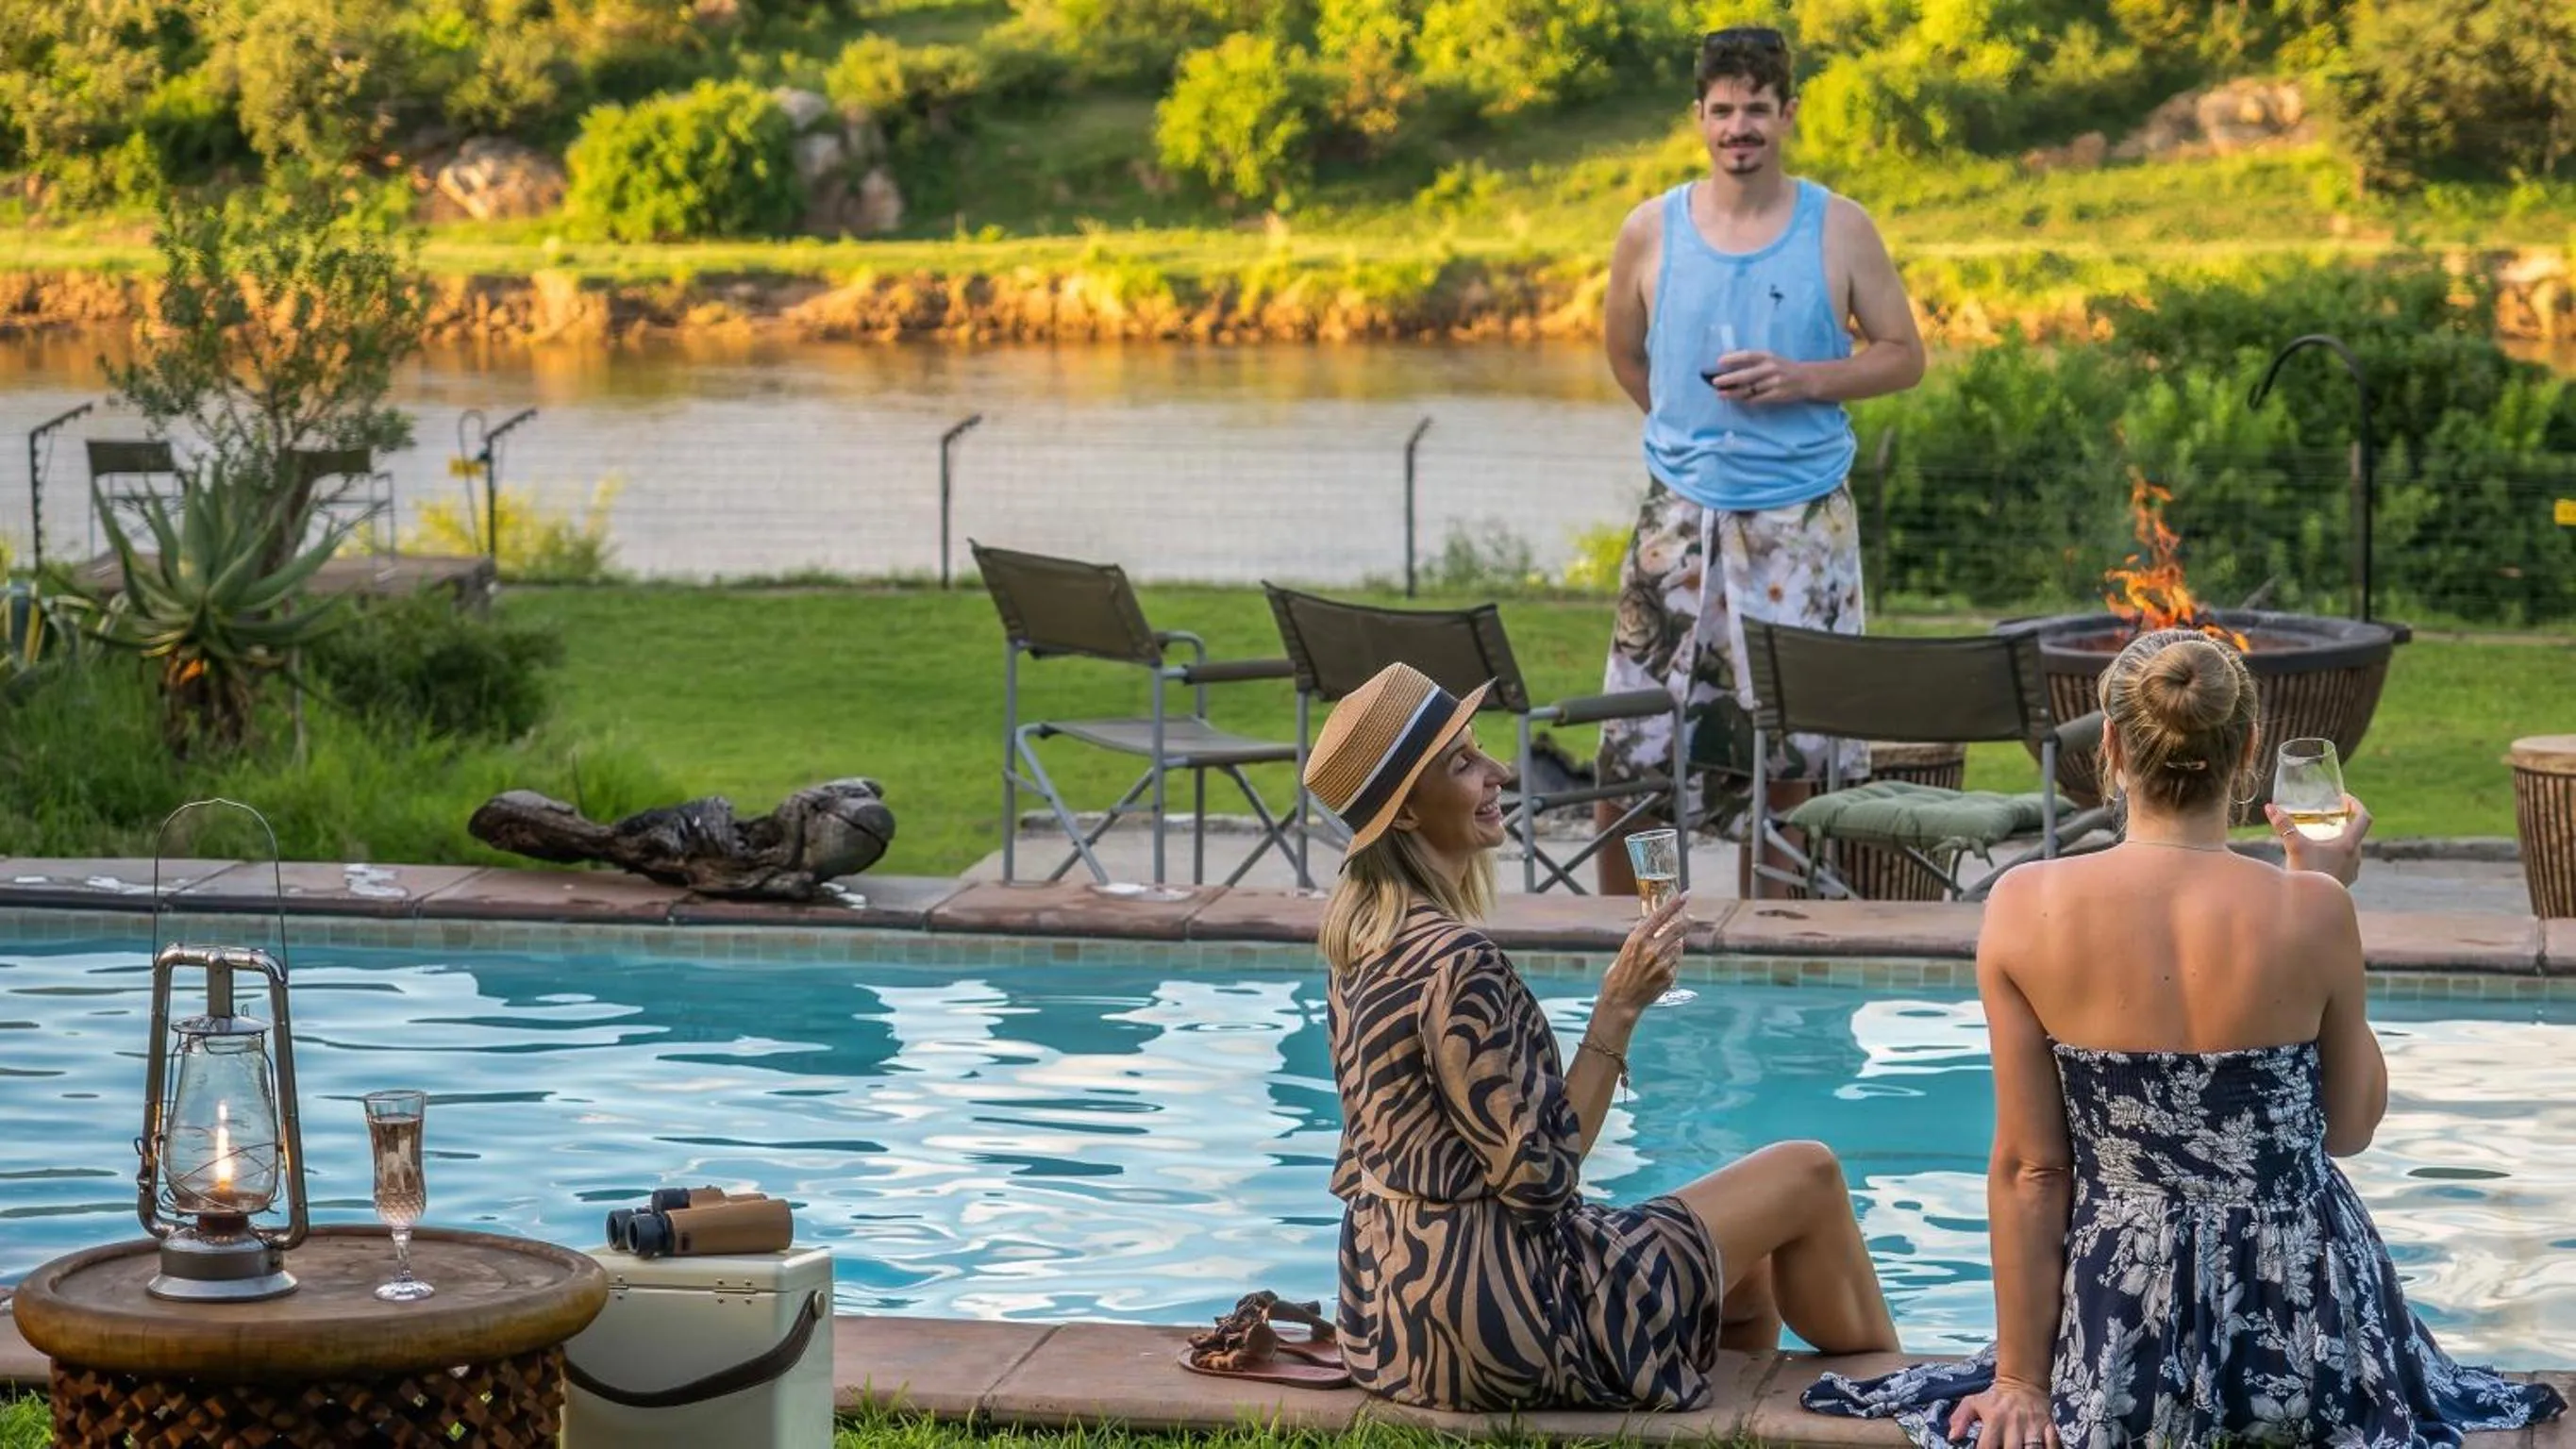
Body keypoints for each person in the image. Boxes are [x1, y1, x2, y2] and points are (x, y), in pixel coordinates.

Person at [1802, 630, 2568, 1447]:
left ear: (2110, 746)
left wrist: (2021, 1380)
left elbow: (2033, 1170)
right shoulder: (2313, 908)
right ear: (2248, 751)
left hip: (2121, 1327)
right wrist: (2321, 890)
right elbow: (2351, 1129)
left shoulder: (2026, 906)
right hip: (2309, 1332)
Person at [1307, 660, 1899, 1411]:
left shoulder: (1360, 947)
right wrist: (1618, 1009)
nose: (1498, 773)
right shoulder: (1459, 963)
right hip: (1496, 1324)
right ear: (1408, 815)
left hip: (1389, 1317)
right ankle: (1900, 1397)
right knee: (1806, 1171)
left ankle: (1743, 1423)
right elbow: (1542, 1183)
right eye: (1462, 763)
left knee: (1741, 1274)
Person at [1597, 25, 1927, 898]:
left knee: (1790, 766)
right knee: (1639, 758)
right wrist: (1689, 439)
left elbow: (1904, 356)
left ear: (1789, 114)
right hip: (1676, 526)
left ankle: (1768, 944)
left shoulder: (1840, 227)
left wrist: (1804, 379)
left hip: (1803, 528)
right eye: (1722, 110)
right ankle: (1640, 934)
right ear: (1698, 117)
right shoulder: (1649, 230)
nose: (1738, 127)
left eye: (1756, 109)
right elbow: (1625, 357)